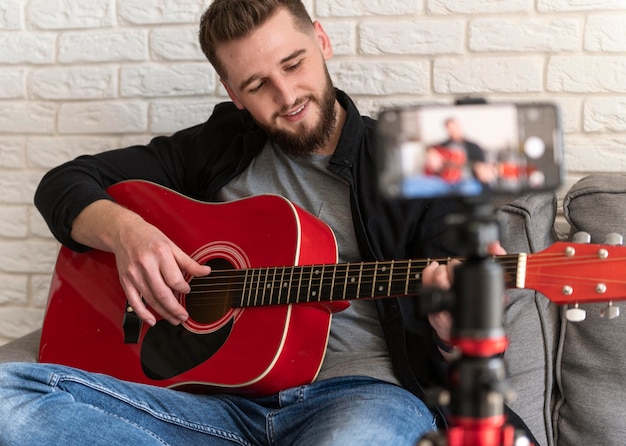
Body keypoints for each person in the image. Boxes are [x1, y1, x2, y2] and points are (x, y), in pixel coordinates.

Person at [0, 1, 535, 445]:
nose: (287, 96)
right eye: (257, 84)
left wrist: (452, 333)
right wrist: (128, 234)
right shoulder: (219, 145)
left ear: (322, 41)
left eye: (294, 63)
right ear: (234, 94)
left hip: (359, 401)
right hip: (211, 407)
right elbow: (65, 183)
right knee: (9, 395)